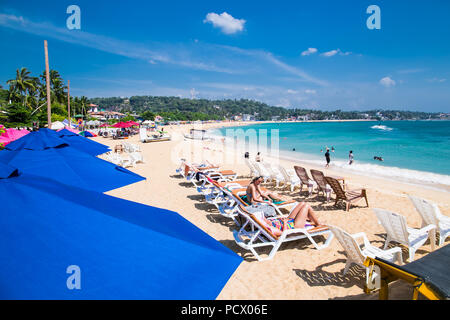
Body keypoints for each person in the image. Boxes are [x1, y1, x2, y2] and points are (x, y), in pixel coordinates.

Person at [257, 202, 324, 235]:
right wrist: (285, 223)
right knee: (306, 206)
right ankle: (318, 223)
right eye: (264, 219)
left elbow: (274, 221)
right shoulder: (271, 229)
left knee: (302, 203)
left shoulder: (269, 222)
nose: (266, 219)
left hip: (289, 220)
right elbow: (284, 233)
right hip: (294, 226)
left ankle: (313, 220)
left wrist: (282, 219)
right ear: (264, 223)